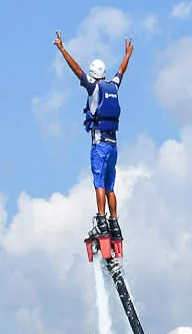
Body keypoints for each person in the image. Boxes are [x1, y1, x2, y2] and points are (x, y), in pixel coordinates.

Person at [54, 30, 134, 242]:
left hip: (99, 144)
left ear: (93, 74)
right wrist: (128, 54)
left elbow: (76, 69)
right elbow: (121, 71)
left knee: (99, 183)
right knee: (110, 186)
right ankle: (114, 222)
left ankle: (101, 221)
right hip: (113, 145)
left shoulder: (93, 87)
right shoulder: (113, 85)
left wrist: (62, 49)